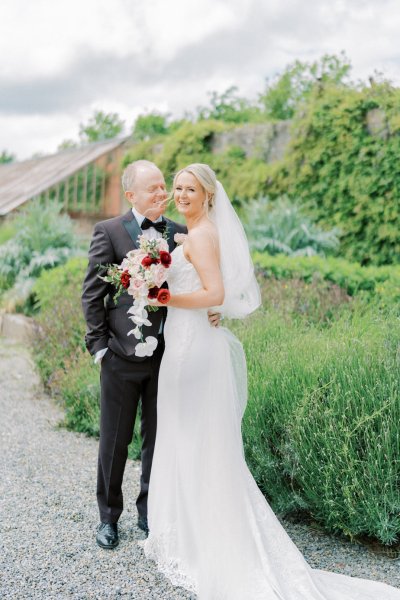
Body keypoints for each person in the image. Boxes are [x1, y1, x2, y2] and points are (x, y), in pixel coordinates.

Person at [141, 163, 400, 599]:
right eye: (179, 188)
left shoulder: (202, 236)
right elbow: (201, 271)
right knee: (189, 438)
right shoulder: (193, 235)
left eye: (191, 189)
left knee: (195, 439)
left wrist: (165, 297)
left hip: (192, 351)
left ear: (208, 197)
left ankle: (201, 541)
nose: (182, 195)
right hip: (188, 344)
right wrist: (176, 255)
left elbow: (215, 294)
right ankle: (183, 534)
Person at [81, 160, 219, 550]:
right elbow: (93, 294)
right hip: (120, 356)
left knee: (158, 438)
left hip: (170, 354)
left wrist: (212, 307)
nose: (164, 194)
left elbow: (204, 282)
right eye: (154, 189)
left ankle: (149, 513)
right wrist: (100, 348)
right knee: (114, 439)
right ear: (131, 196)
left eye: (165, 186)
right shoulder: (108, 231)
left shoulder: (180, 233)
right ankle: (108, 517)